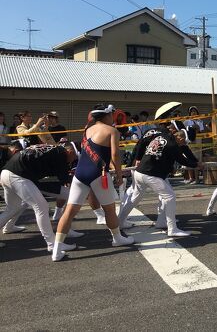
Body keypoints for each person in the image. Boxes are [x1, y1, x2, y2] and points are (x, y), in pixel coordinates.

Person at [52, 104, 134, 262]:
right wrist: (118, 174)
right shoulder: (112, 131)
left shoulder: (87, 129)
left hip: (79, 174)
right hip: (99, 174)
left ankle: (56, 249)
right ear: (106, 116)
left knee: (69, 211)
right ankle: (117, 238)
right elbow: (115, 155)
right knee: (109, 210)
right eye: (112, 115)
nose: (113, 118)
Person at [119, 126, 199, 237]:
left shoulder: (162, 136)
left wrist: (171, 167)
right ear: (180, 137)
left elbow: (162, 155)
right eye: (184, 142)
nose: (184, 144)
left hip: (140, 172)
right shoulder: (172, 145)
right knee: (169, 196)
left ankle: (120, 222)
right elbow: (182, 160)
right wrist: (197, 164)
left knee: (135, 198)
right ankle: (172, 229)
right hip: (150, 174)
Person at [0, 143, 80, 253]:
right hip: (19, 175)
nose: (72, 161)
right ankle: (52, 244)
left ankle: (8, 227)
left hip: (7, 173)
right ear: (70, 152)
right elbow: (64, 179)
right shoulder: (61, 154)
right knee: (41, 207)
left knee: (12, 208)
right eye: (74, 157)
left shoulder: (54, 149)